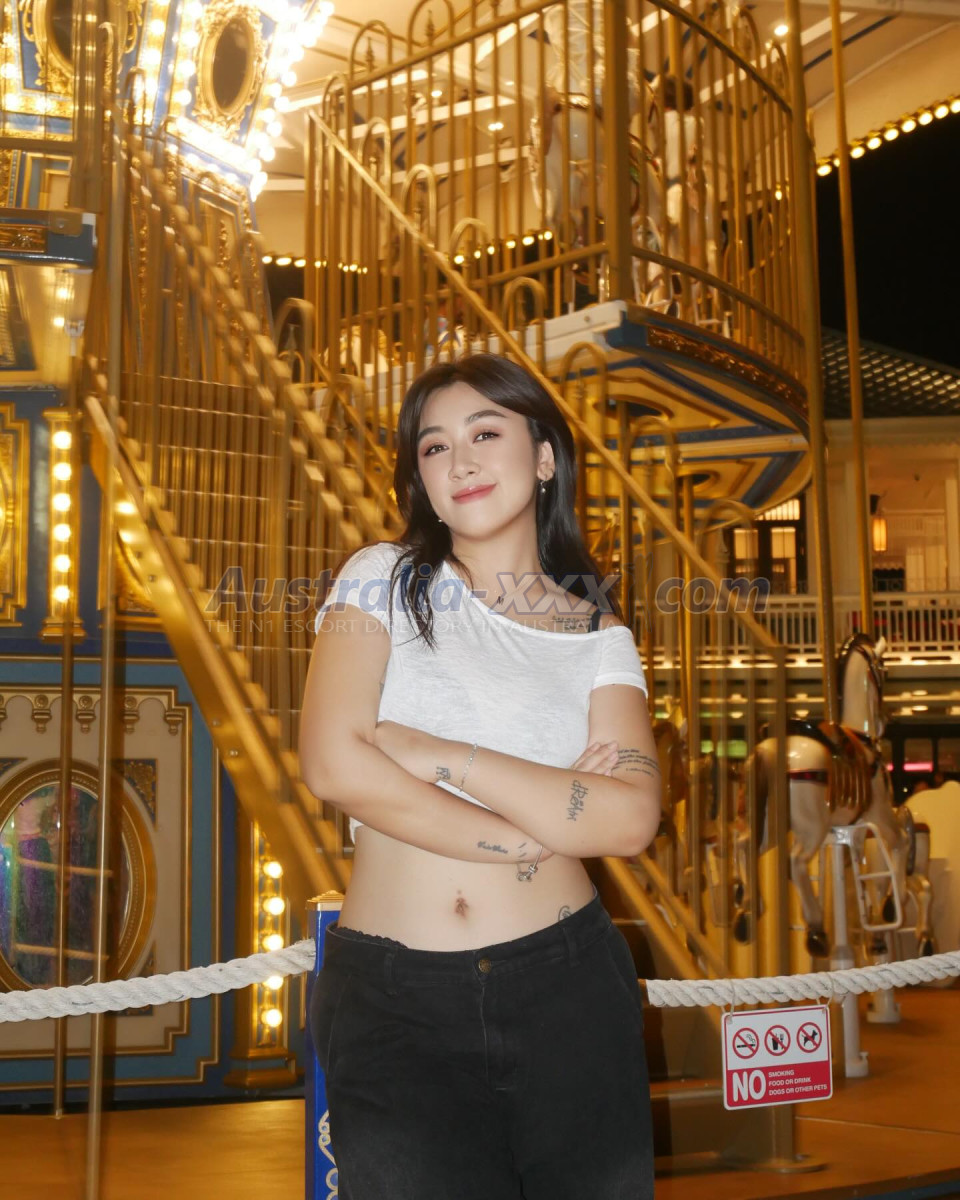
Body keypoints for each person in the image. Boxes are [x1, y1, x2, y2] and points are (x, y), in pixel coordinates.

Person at [300, 353, 661, 1198]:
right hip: (394, 1001)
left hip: (567, 986)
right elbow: (333, 763)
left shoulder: (597, 635)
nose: (459, 461)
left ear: (545, 457)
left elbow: (629, 818)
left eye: (486, 433)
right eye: (434, 446)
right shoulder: (382, 579)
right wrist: (529, 833)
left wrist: (439, 754)